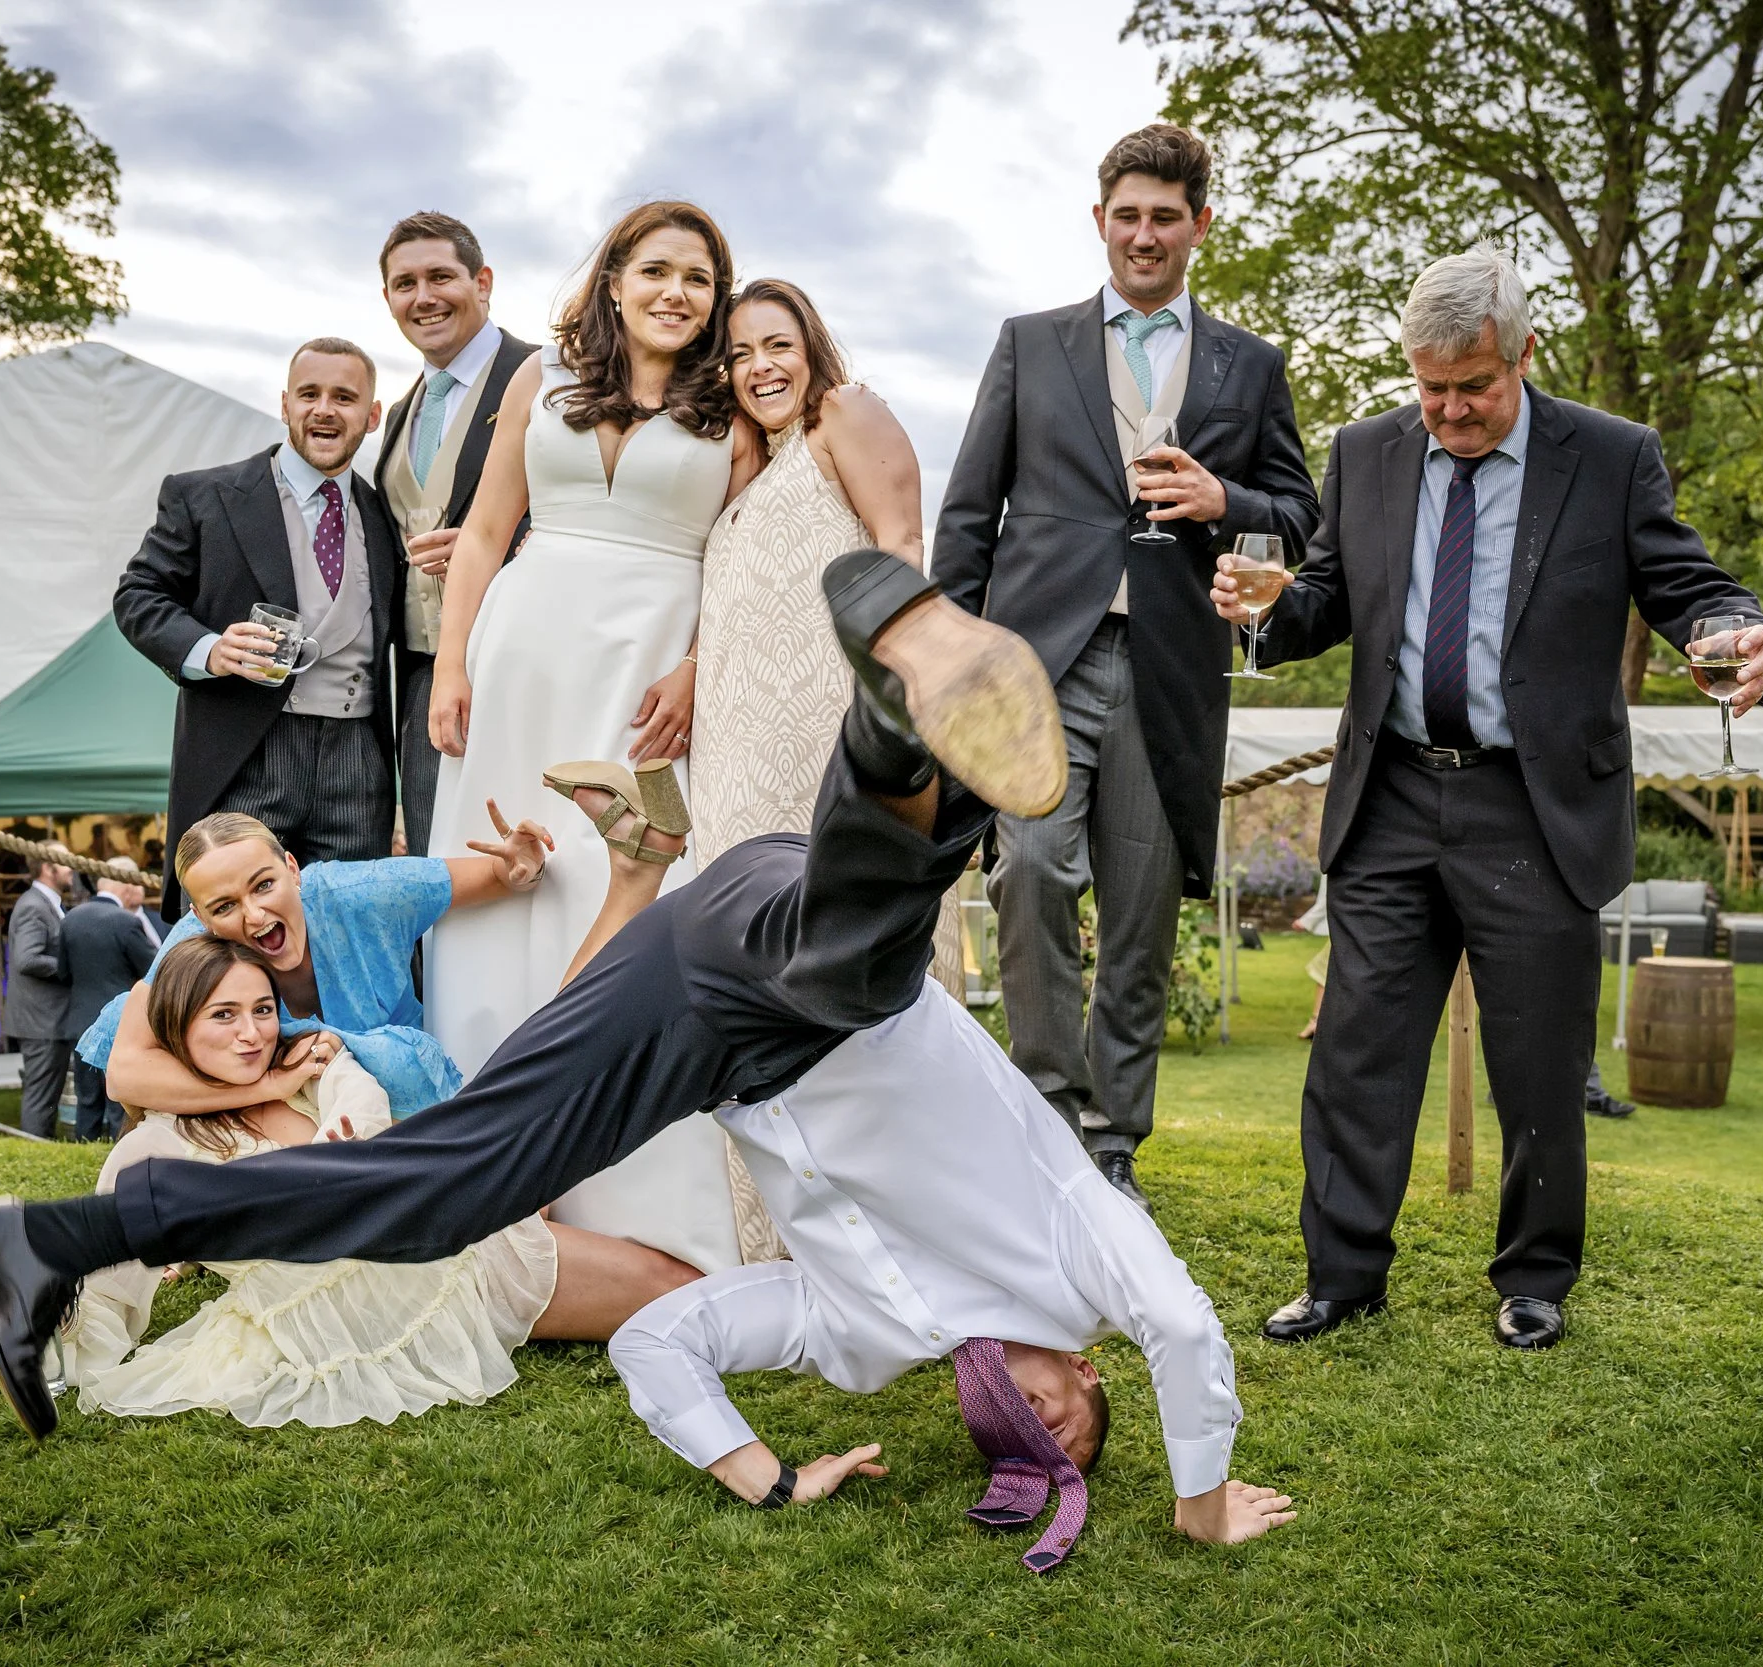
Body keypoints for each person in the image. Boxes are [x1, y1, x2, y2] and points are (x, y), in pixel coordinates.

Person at [0, 553, 1289, 1560]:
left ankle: (55, 1236)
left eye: (1016, 1442)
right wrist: (1198, 1496)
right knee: (862, 963)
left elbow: (667, 1336)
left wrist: (767, 1473)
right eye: (1067, 1423)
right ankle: (896, 694)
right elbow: (1185, 1325)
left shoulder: (861, 1342)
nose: (1032, 1421)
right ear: (1090, 1377)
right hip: (799, 965)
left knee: (439, 1189)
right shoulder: (1085, 1255)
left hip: (703, 999)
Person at [1213, 247, 1763, 1352]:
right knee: (1356, 1056)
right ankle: (1340, 1276)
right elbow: (1328, 590)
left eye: (1472, 385)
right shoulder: (1367, 450)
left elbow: (1685, 582)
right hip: (1388, 798)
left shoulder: (1610, 457)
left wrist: (1741, 628)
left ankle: (1533, 1275)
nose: (1449, 409)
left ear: (1522, 354)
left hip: (1533, 805)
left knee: (1537, 1061)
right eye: (1430, 387)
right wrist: (1268, 611)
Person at [932, 123, 1319, 1210]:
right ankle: (1045, 1114)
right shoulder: (1029, 342)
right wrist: (951, 661)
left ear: (1200, 224)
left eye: (1164, 216)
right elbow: (968, 514)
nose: (1143, 234)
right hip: (1036, 665)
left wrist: (1224, 502)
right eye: (1125, 215)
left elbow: (1302, 515)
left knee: (1144, 903)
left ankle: (1112, 1139)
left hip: (1171, 668)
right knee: (1034, 872)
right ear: (1098, 220)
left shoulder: (1251, 365)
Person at [418, 200, 764, 1274]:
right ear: (612, 279)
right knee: (502, 879)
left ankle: (641, 1196)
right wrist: (450, 659)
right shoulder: (543, 381)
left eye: (698, 279)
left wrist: (702, 668)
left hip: (649, 672)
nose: (675, 292)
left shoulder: (732, 410)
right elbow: (482, 532)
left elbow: (743, 567)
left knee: (628, 880)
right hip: (522, 657)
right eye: (655, 269)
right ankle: (490, 1176)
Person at [60, 934, 698, 1428]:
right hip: (356, 1306)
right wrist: (63, 1345)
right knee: (674, 1298)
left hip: (448, 1239)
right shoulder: (154, 1146)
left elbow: (359, 1103)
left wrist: (332, 1125)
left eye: (260, 1009)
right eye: (223, 1015)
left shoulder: (308, 1066)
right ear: (178, 1027)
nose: (252, 1033)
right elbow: (107, 1280)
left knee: (676, 1286)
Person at [116, 338, 403, 922]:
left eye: (344, 397)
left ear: (371, 417)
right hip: (246, 749)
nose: (325, 409)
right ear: (285, 404)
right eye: (310, 394)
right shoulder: (204, 495)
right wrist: (210, 648)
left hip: (358, 759)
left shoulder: (387, 515)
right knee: (228, 933)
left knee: (346, 927)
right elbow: (138, 596)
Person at [74, 802, 555, 1124]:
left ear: (290, 868)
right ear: (201, 919)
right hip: (270, 1122)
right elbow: (127, 1079)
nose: (255, 915)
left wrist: (521, 865)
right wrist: (270, 1085)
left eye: (263, 885)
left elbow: (498, 874)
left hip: (404, 1107)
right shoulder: (191, 950)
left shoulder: (363, 894)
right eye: (224, 907)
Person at [691, 279, 922, 864]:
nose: (760, 367)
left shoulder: (843, 411)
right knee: (742, 914)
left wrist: (886, 704)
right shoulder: (753, 468)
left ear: (812, 349)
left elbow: (902, 544)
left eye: (778, 346)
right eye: (740, 355)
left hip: (831, 726)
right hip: (733, 746)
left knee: (833, 903)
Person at [372, 212, 540, 854]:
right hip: (419, 680)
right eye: (404, 283)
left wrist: (505, 546)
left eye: (441, 276)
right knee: (434, 860)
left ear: (483, 282)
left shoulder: (548, 376)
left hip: (517, 656)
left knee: (520, 849)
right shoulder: (400, 413)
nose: (424, 297)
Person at [58, 858, 156, 1141]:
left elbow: (62, 972)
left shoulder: (71, 919)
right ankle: (118, 1153)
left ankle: (82, 1146)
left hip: (79, 1022)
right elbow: (153, 972)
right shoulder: (126, 922)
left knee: (86, 1098)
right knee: (119, 1102)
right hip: (118, 1024)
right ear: (126, 885)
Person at [4, 851, 76, 1139]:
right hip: (41, 1020)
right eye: (65, 862)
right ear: (48, 868)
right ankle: (36, 1149)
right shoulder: (34, 906)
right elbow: (27, 959)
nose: (72, 869)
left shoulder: (45, 903)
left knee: (47, 1093)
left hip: (48, 1018)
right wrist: (71, 969)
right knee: (40, 1095)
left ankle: (40, 1144)